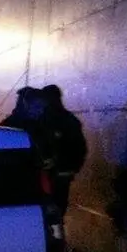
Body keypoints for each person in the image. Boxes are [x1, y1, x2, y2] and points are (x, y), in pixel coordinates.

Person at [41, 84, 88, 216]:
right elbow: (81, 149)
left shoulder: (44, 120)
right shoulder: (70, 120)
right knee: (56, 213)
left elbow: (80, 148)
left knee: (46, 212)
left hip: (50, 176)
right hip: (59, 176)